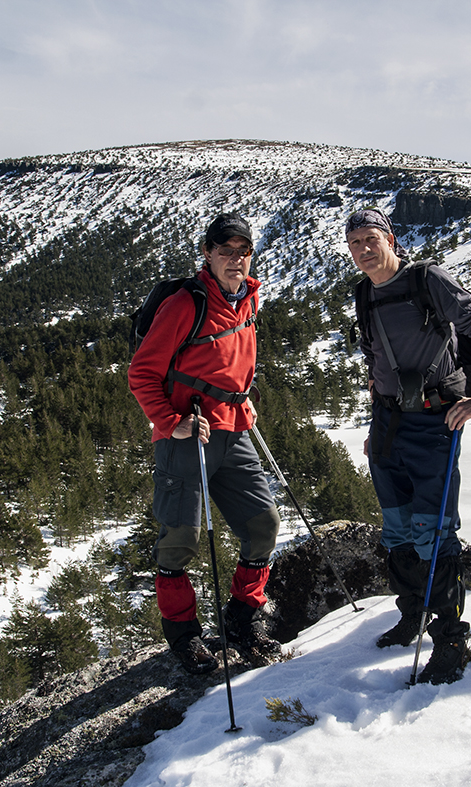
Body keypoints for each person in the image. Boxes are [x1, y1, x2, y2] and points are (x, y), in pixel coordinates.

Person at [348, 207, 471, 685]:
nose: (364, 249)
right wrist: (376, 427)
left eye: (371, 239)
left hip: (435, 420)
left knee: (432, 531)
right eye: (355, 243)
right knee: (395, 527)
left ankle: (451, 639)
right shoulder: (364, 293)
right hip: (390, 420)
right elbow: (376, 364)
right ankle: (411, 612)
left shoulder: (427, 280)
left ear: (390, 239)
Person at [128, 213, 282, 674]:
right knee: (180, 540)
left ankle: (243, 616)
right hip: (187, 435)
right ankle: (184, 635)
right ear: (207, 253)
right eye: (225, 251)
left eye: (243, 252)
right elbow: (142, 373)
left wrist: (244, 398)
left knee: (263, 526)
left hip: (233, 429)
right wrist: (170, 421)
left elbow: (238, 361)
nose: (235, 260)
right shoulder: (185, 304)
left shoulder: (248, 301)